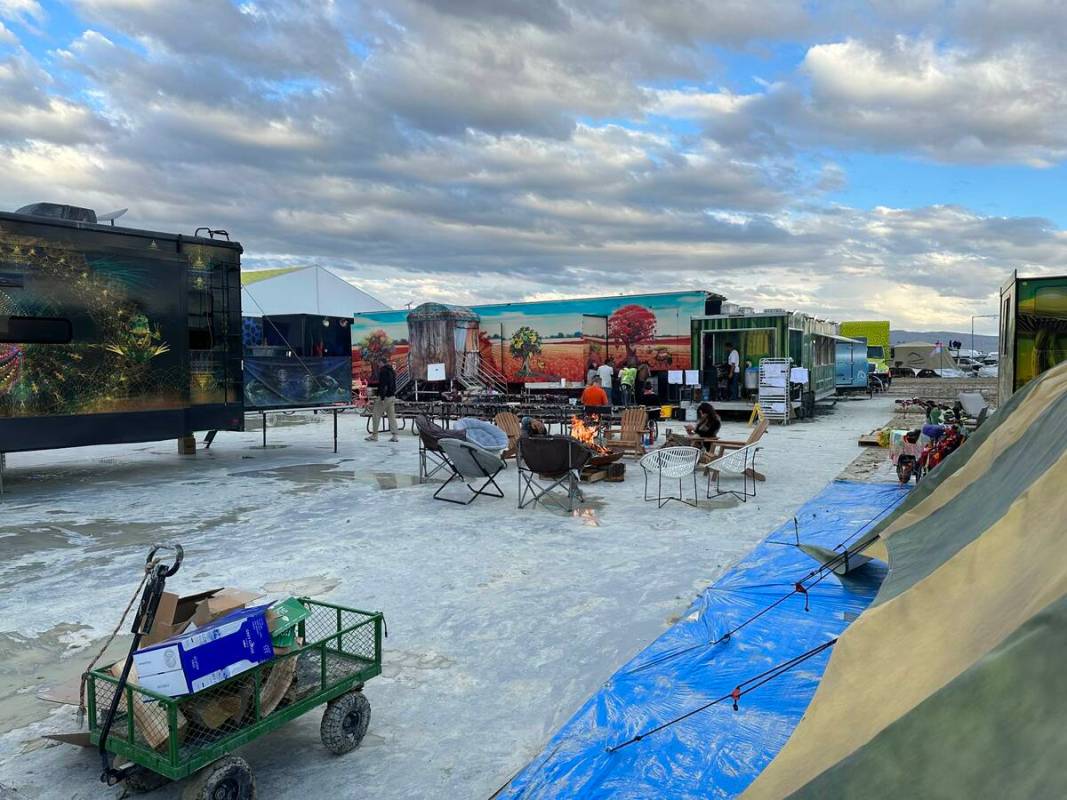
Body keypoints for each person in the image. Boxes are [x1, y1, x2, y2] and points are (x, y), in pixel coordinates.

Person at [366, 361, 398, 442]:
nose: (378, 365)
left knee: (376, 415)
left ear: (381, 363)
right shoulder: (392, 371)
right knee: (391, 416)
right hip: (392, 396)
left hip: (384, 397)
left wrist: (382, 398)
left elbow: (383, 385)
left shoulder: (383, 371)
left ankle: (374, 435)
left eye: (379, 363)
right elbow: (393, 384)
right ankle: (395, 435)